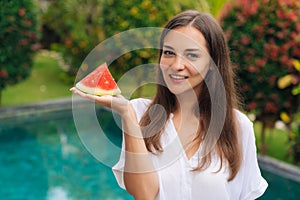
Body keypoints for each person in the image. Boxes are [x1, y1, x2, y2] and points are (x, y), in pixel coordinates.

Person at [70, 10, 268, 200]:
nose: (176, 65)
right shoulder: (138, 112)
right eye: (169, 52)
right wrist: (127, 115)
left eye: (191, 55)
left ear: (212, 64)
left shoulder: (238, 126)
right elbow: (144, 194)